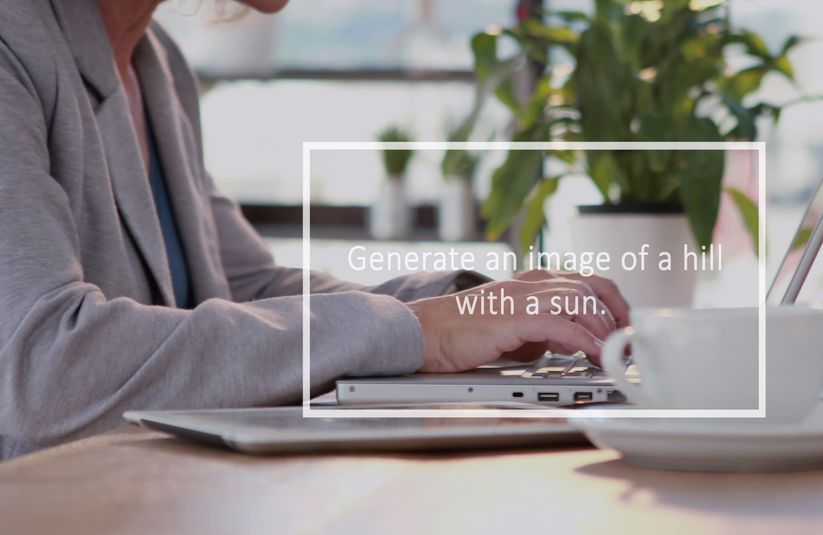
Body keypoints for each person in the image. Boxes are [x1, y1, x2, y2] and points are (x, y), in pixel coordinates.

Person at [0, 0, 630, 459]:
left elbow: (248, 287)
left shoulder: (155, 62)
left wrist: (468, 307)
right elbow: (44, 366)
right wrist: (421, 332)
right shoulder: (12, 44)